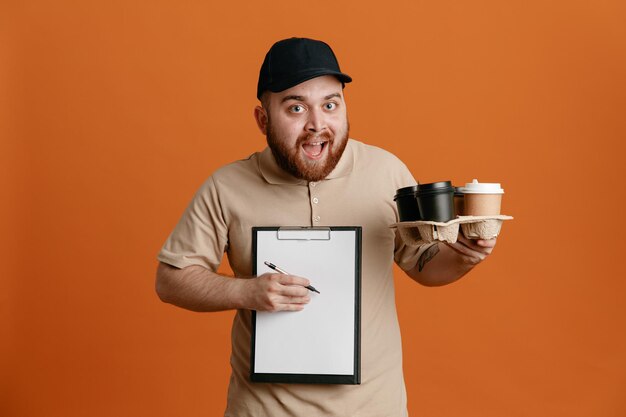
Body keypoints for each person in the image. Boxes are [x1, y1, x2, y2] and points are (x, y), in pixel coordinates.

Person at [155, 37, 497, 417]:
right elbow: (170, 280)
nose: (317, 124)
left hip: (373, 408)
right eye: (296, 107)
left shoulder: (387, 173)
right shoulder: (226, 186)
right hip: (261, 409)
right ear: (263, 119)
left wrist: (465, 256)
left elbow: (424, 265)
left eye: (330, 105)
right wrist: (247, 291)